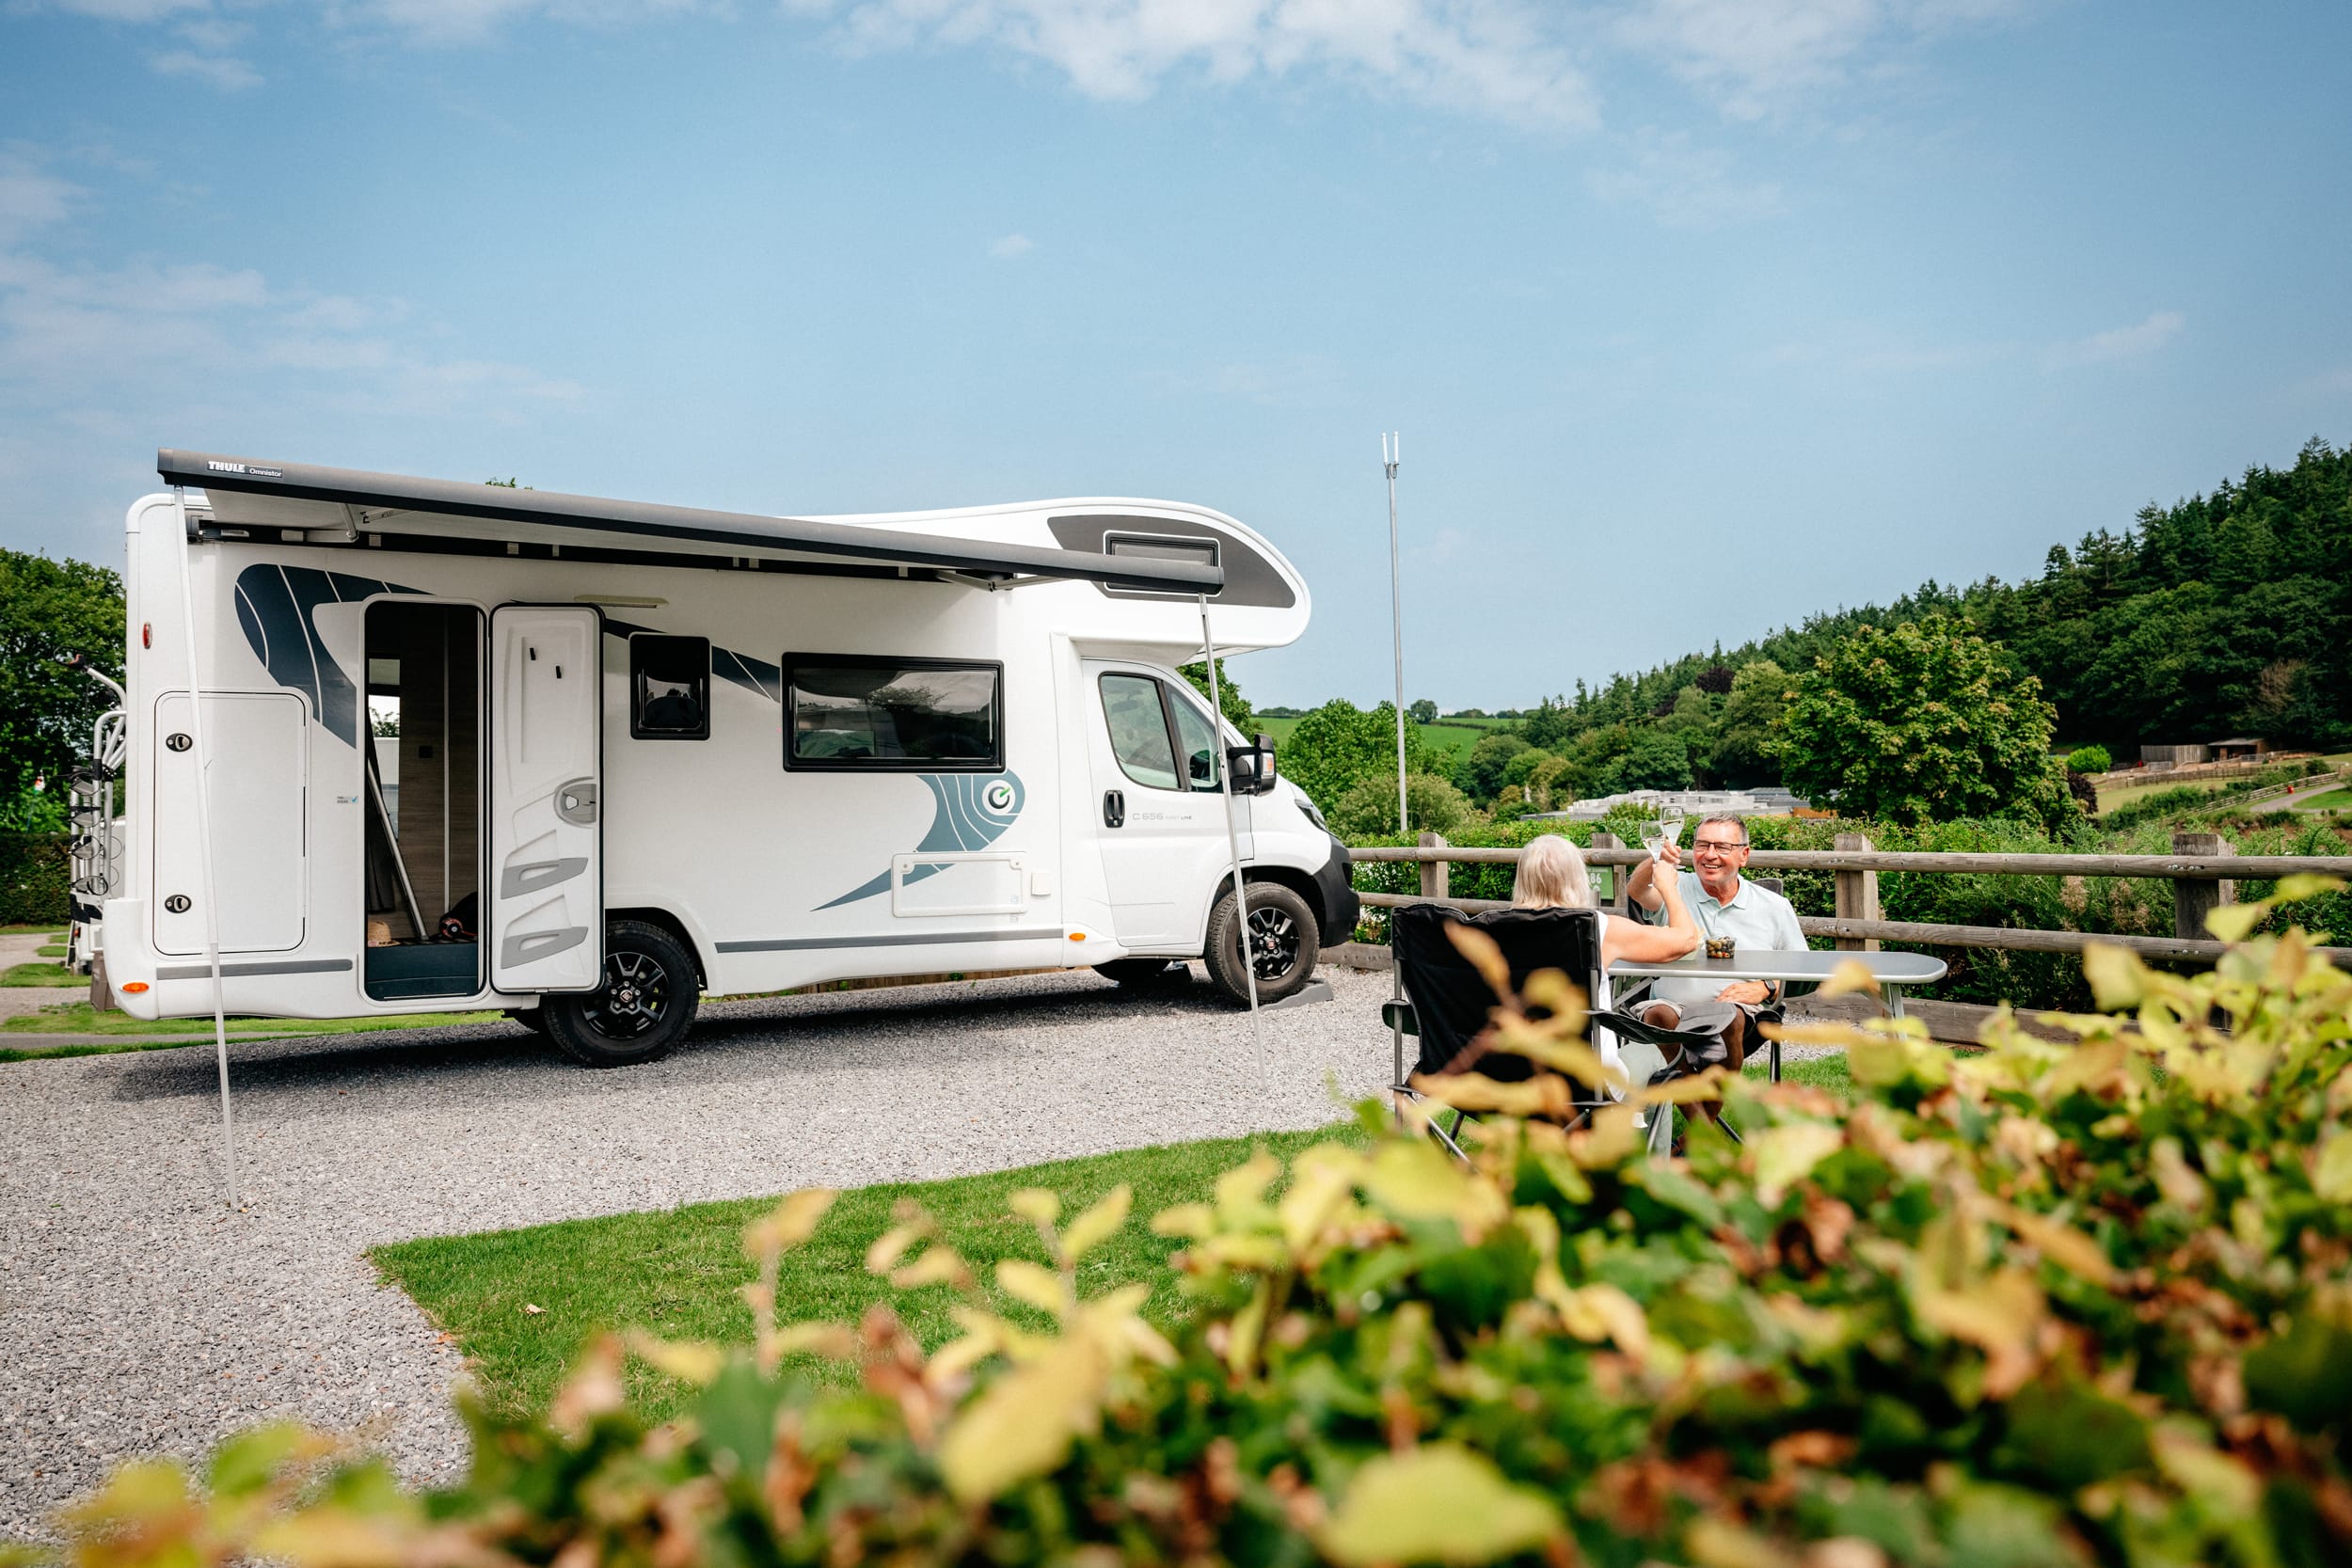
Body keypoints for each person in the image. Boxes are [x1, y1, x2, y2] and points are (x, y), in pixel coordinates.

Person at [1510, 834, 1700, 1088]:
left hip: (1507, 1076)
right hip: (1588, 1078)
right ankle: (1636, 1127)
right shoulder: (1598, 929)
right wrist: (1667, 887)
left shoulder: (1490, 930)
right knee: (1656, 1053)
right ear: (1578, 879)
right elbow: (1686, 940)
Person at [1624, 813, 1806, 1072]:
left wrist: (1767, 987)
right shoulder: (1673, 887)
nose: (1710, 854)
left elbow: (1802, 969)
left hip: (1741, 1014)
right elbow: (1637, 890)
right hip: (1672, 1008)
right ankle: (1701, 1106)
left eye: (1722, 847)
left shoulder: (1773, 906)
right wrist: (1656, 860)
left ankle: (1697, 1104)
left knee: (1730, 1016)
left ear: (1744, 855)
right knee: (1658, 1015)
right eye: (1702, 845)